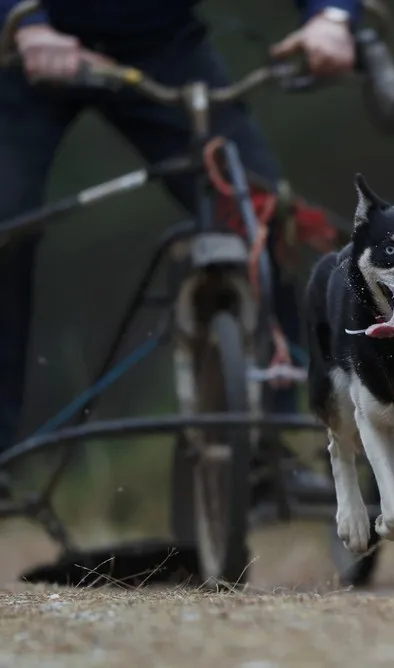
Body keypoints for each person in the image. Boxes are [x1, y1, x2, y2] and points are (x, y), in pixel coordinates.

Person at [0, 0, 362, 460]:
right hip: (21, 49)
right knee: (7, 224)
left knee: (262, 215)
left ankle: (267, 445)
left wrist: (331, 17)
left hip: (159, 44)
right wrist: (24, 23)